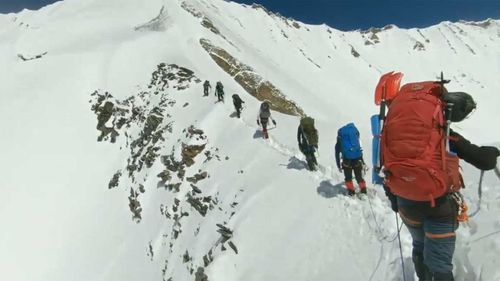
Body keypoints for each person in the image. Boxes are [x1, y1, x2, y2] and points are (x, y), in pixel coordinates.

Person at [380, 81, 500, 281]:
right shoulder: (444, 135)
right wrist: (494, 151)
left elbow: (385, 169)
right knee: (440, 263)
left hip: (406, 203)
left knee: (419, 245)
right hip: (439, 206)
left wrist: (395, 200)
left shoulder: (391, 136)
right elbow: (484, 161)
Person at [335, 122, 367, 196]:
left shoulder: (340, 137)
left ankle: (351, 192)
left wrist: (338, 165)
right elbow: (359, 148)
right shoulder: (355, 135)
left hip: (346, 161)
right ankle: (364, 191)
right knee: (359, 177)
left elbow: (337, 152)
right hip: (357, 159)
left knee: (348, 178)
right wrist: (362, 160)